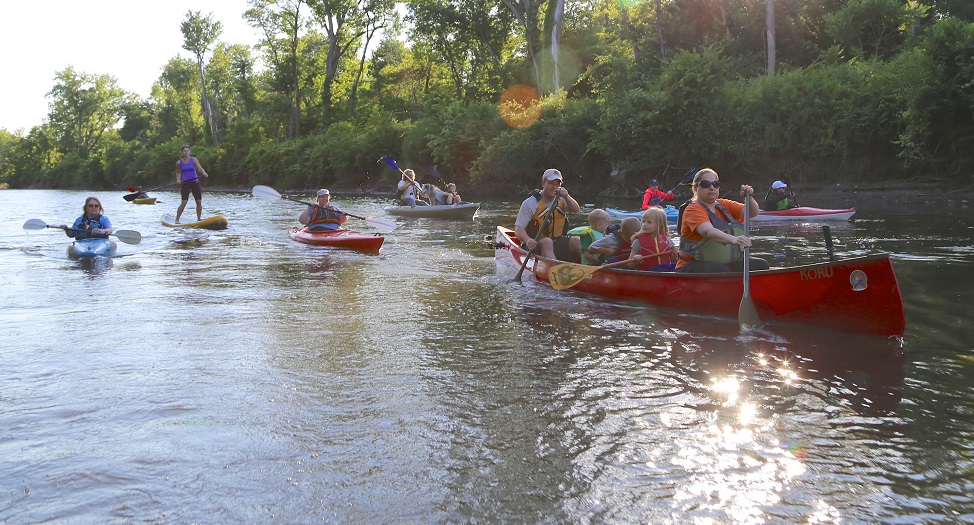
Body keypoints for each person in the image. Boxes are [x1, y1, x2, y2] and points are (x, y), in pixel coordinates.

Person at [676, 168, 769, 273]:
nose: (712, 187)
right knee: (720, 270)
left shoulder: (723, 204)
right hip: (692, 264)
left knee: (761, 265)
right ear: (696, 187)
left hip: (724, 264)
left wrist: (749, 198)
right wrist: (734, 239)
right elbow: (707, 231)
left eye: (715, 184)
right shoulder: (693, 209)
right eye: (706, 184)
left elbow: (752, 212)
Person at [514, 168, 582, 261]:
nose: (554, 187)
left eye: (557, 184)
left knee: (577, 240)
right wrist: (527, 240)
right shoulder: (530, 203)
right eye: (551, 183)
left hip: (556, 241)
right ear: (543, 184)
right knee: (547, 242)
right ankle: (552, 269)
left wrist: (566, 196)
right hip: (534, 244)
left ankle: (590, 268)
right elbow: (518, 228)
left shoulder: (562, 199)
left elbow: (576, 210)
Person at [629, 207, 678, 271]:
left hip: (665, 272)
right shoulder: (638, 242)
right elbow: (629, 265)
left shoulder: (668, 240)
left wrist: (675, 254)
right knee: (665, 266)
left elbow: (674, 261)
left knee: (679, 267)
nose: (644, 224)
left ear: (660, 224)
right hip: (647, 273)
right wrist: (636, 260)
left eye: (649, 222)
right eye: (643, 221)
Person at [175, 144, 209, 223]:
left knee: (198, 201)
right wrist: (178, 179)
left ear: (189, 152)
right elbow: (178, 172)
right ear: (182, 152)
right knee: (184, 202)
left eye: (187, 151)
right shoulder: (179, 163)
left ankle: (199, 219)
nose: (186, 152)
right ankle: (177, 219)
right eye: (184, 151)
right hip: (185, 183)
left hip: (195, 182)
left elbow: (200, 168)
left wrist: (204, 173)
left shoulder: (194, 160)